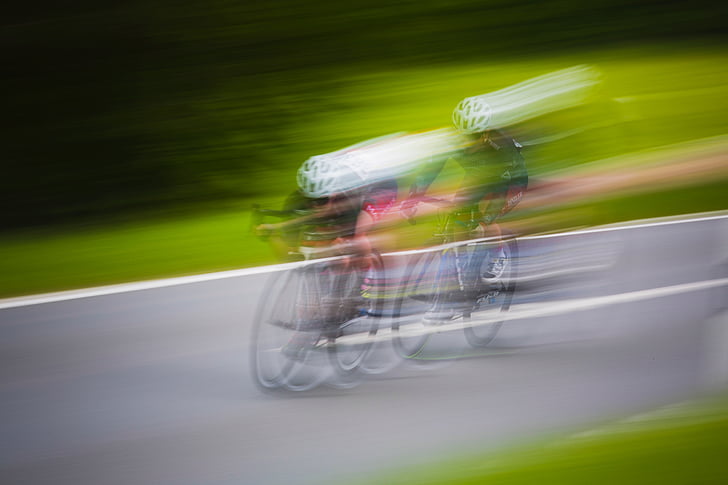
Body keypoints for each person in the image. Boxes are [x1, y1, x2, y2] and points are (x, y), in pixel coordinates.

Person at [402, 96, 529, 318]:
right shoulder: (454, 143)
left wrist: (485, 218)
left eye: (475, 136)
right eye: (466, 136)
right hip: (477, 175)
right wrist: (413, 196)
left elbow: (499, 191)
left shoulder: (500, 145)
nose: (470, 141)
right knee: (457, 218)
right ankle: (459, 287)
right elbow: (432, 167)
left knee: (484, 221)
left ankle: (498, 253)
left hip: (508, 179)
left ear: (486, 133)